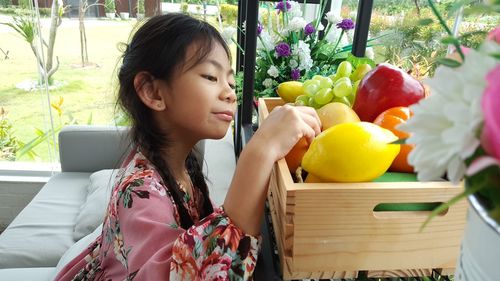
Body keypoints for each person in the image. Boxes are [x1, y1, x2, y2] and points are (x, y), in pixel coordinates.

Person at [54, 13, 321, 281]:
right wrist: (260, 150)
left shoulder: (182, 166)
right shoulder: (140, 191)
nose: (230, 93)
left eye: (230, 81)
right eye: (210, 76)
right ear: (153, 92)